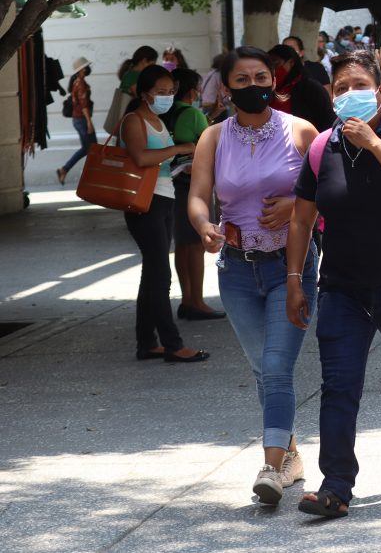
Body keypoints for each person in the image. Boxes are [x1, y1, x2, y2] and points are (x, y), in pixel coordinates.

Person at [285, 50, 381, 519]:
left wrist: (375, 144)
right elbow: (300, 220)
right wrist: (296, 280)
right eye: (339, 87)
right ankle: (336, 485)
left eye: (358, 85)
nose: (348, 94)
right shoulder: (322, 148)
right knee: (338, 385)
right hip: (342, 287)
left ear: (378, 91)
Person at [187, 45, 319, 504]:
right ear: (226, 88)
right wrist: (205, 225)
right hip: (237, 271)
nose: (253, 87)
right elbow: (199, 196)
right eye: (241, 80)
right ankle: (292, 454)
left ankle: (271, 465)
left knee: (278, 367)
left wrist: (295, 206)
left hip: (293, 266)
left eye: (261, 77)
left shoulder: (301, 132)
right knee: (264, 368)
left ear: (274, 81)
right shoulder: (213, 137)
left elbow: (329, 192)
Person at [119, 64, 209, 363]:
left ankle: (146, 342)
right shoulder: (134, 120)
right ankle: (172, 344)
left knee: (153, 274)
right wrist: (179, 149)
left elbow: (159, 162)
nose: (167, 97)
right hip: (145, 204)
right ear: (144, 93)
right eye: (160, 92)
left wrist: (182, 156)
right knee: (160, 275)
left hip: (164, 198)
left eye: (170, 92)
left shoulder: (156, 119)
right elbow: (142, 157)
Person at [163, 67, 224, 322]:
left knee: (182, 246)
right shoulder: (192, 113)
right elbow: (207, 142)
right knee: (197, 245)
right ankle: (196, 301)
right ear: (192, 90)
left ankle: (186, 297)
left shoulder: (165, 112)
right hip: (191, 184)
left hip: (168, 184)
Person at [267, 44, 337, 132]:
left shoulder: (311, 89)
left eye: (276, 64)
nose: (272, 70)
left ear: (291, 63)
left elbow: (327, 122)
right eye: (269, 66)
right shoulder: (268, 89)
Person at [56, 57, 95, 185]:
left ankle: (64, 169)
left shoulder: (76, 82)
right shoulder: (81, 84)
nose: (88, 68)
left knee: (87, 148)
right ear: (81, 70)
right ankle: (94, 177)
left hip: (77, 119)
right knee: (93, 149)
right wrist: (89, 122)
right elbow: (83, 104)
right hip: (82, 119)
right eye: (86, 67)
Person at [200, 53, 229, 123]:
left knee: (208, 125)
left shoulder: (211, 73)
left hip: (205, 104)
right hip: (215, 106)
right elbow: (223, 92)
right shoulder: (220, 75)